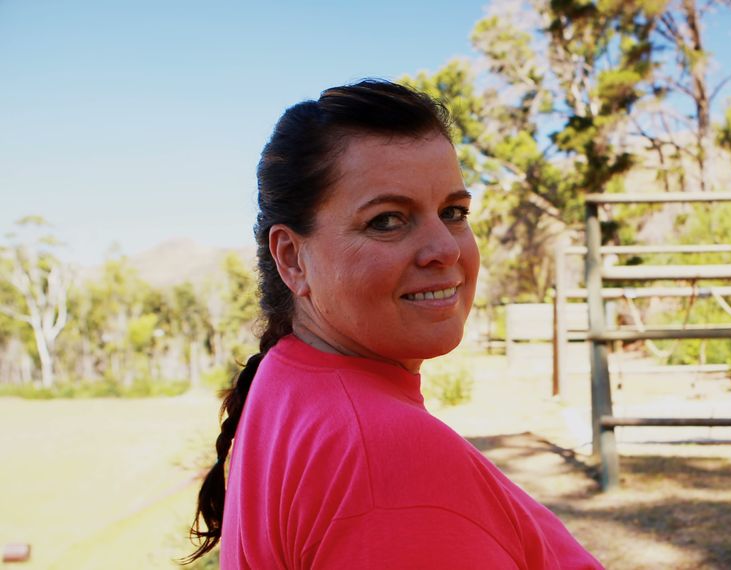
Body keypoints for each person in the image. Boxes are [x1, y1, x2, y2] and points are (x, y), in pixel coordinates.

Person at [184, 80, 602, 569]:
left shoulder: (287, 379)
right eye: (387, 220)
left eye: (454, 212)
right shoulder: (386, 462)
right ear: (292, 258)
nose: (445, 248)